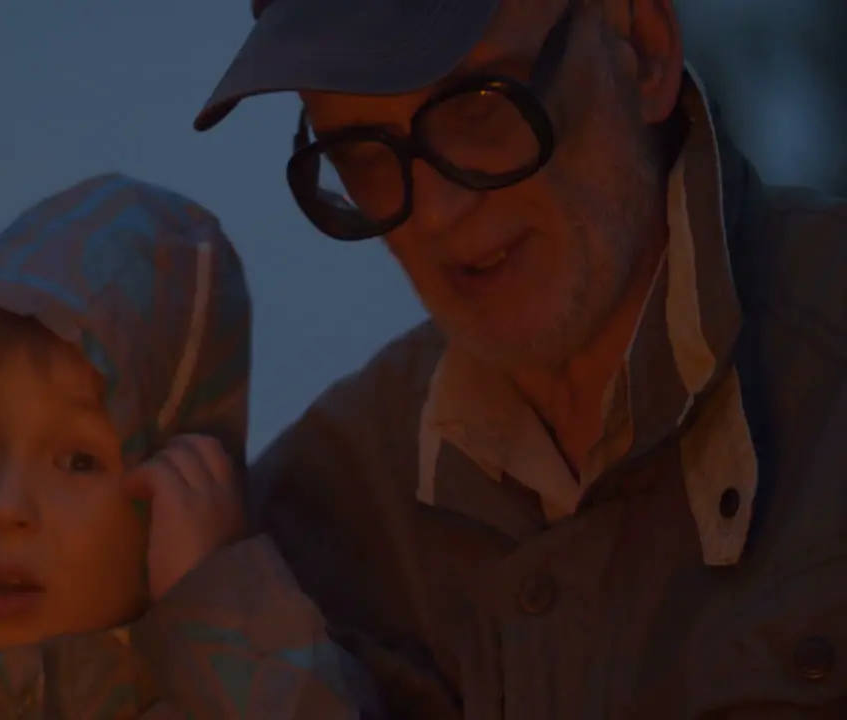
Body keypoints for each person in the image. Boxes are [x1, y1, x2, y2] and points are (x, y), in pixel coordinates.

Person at [195, 0, 847, 716]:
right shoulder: (302, 535)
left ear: (643, 50)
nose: (436, 211)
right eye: (360, 151)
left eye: (480, 104)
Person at [0, 173, 377, 718]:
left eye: (77, 462)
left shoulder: (239, 702)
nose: (5, 506)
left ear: (181, 488)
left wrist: (216, 600)